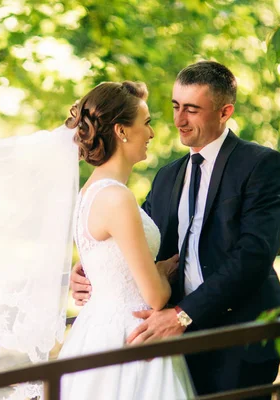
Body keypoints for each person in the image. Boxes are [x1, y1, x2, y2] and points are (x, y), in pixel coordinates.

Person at [71, 61, 280, 398]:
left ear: (225, 112)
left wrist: (183, 315)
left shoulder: (262, 165)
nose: (178, 120)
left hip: (238, 339)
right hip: (170, 340)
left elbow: (254, 256)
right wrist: (89, 270)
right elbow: (128, 239)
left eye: (192, 109)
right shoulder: (166, 176)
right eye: (176, 107)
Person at [58, 81, 195, 399]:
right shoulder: (117, 198)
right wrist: (162, 271)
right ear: (121, 131)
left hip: (98, 330)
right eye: (146, 123)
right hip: (132, 335)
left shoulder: (90, 191)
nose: (151, 133)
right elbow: (157, 297)